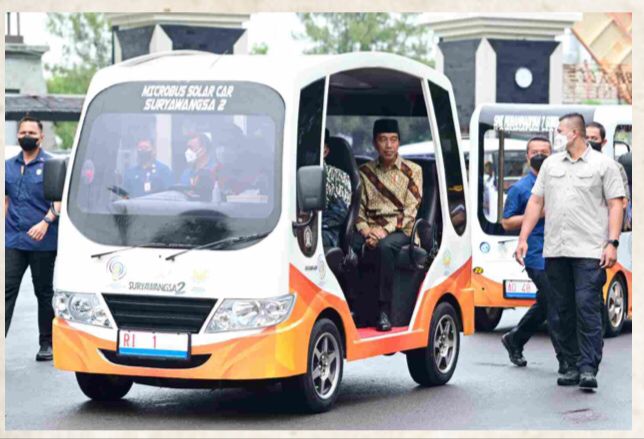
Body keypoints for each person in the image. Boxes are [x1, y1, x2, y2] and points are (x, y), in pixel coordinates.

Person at [515, 113, 625, 391]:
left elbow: (616, 204)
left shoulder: (604, 165)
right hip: (556, 250)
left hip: (590, 251)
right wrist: (523, 237)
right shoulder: (551, 166)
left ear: (574, 134)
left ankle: (588, 367)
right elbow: (536, 201)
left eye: (559, 131)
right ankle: (568, 363)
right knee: (561, 310)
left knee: (587, 308)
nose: (556, 135)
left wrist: (612, 243)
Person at [500, 137, 565, 372]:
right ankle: (567, 361)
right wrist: (539, 212)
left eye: (544, 151)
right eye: (535, 152)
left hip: (561, 250)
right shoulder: (520, 188)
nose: (540, 155)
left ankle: (515, 339)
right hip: (535, 252)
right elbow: (507, 222)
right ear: (527, 156)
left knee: (547, 301)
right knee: (556, 301)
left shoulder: (560, 182)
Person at [353, 119, 423, 331]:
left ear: (399, 142)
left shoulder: (412, 171)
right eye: (383, 140)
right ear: (375, 143)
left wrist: (383, 231)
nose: (388, 145)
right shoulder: (364, 172)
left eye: (393, 140)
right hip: (372, 229)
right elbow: (358, 211)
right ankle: (357, 308)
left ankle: (384, 310)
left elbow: (411, 212)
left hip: (402, 230)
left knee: (384, 248)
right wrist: (366, 233)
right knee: (349, 246)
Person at [5, 115, 62, 361]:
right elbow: (6, 200)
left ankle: (46, 343)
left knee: (43, 292)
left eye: (31, 132)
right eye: (22, 132)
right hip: (13, 240)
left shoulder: (52, 164)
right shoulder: (7, 165)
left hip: (42, 240)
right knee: (5, 291)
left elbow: (59, 201)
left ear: (41, 136)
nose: (26, 135)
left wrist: (45, 222)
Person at [585, 122, 631, 211]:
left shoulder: (615, 167)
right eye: (586, 138)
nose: (589, 141)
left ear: (603, 142)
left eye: (594, 138)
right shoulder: (572, 164)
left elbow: (622, 203)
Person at [322, 129, 352, 250]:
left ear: (325, 151)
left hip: (326, 233)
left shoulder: (338, 176)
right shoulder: (288, 175)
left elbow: (340, 213)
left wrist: (309, 220)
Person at [180, 133, 216, 202]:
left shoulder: (216, 170)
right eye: (187, 148)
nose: (187, 151)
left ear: (203, 150)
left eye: (191, 148)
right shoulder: (186, 173)